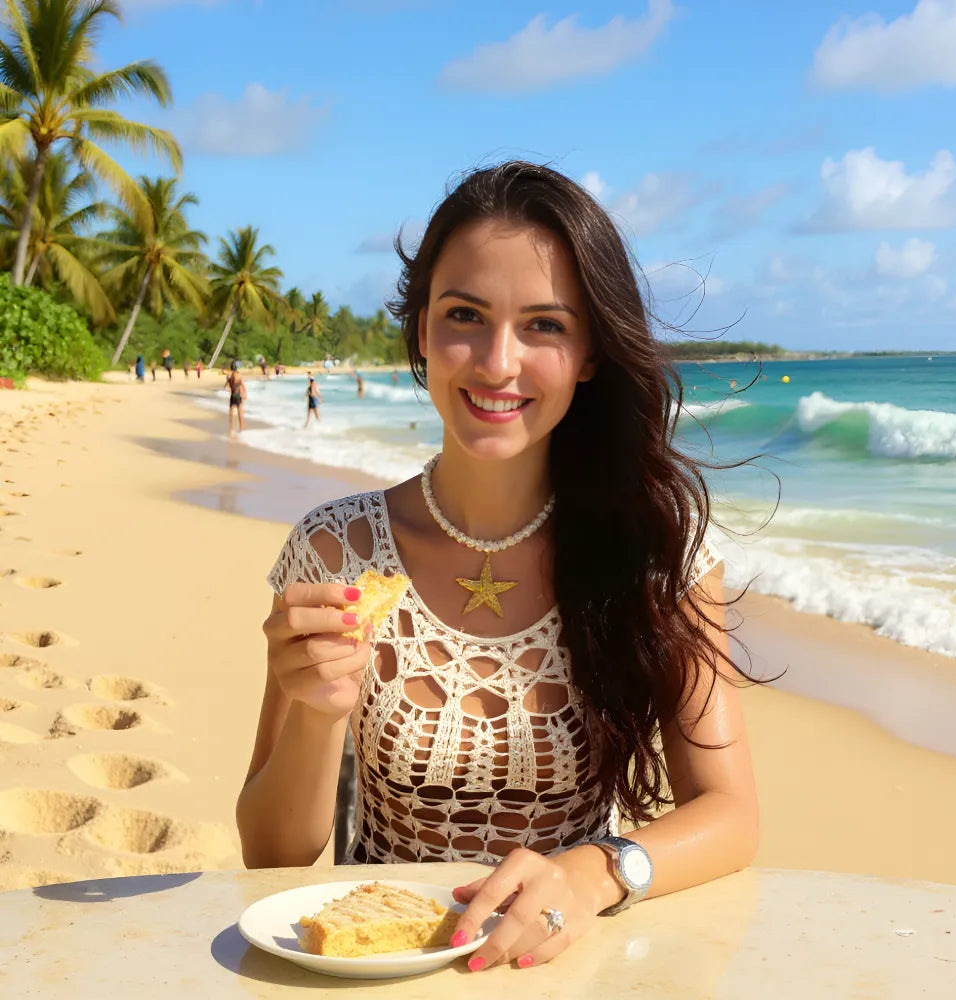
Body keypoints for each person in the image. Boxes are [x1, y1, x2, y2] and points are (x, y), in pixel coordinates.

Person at [238, 162, 759, 973]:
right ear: (419, 329)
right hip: (380, 972)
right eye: (465, 316)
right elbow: (272, 854)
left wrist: (597, 872)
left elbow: (730, 814)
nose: (497, 361)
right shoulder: (336, 549)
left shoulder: (656, 551)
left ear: (589, 352)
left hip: (569, 962)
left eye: (544, 326)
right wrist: (318, 711)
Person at [226, 360, 247, 439]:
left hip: (232, 395)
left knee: (231, 411)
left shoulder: (229, 376)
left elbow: (229, 385)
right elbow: (242, 385)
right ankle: (241, 429)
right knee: (240, 413)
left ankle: (231, 429)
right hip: (238, 394)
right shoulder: (239, 375)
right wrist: (245, 394)